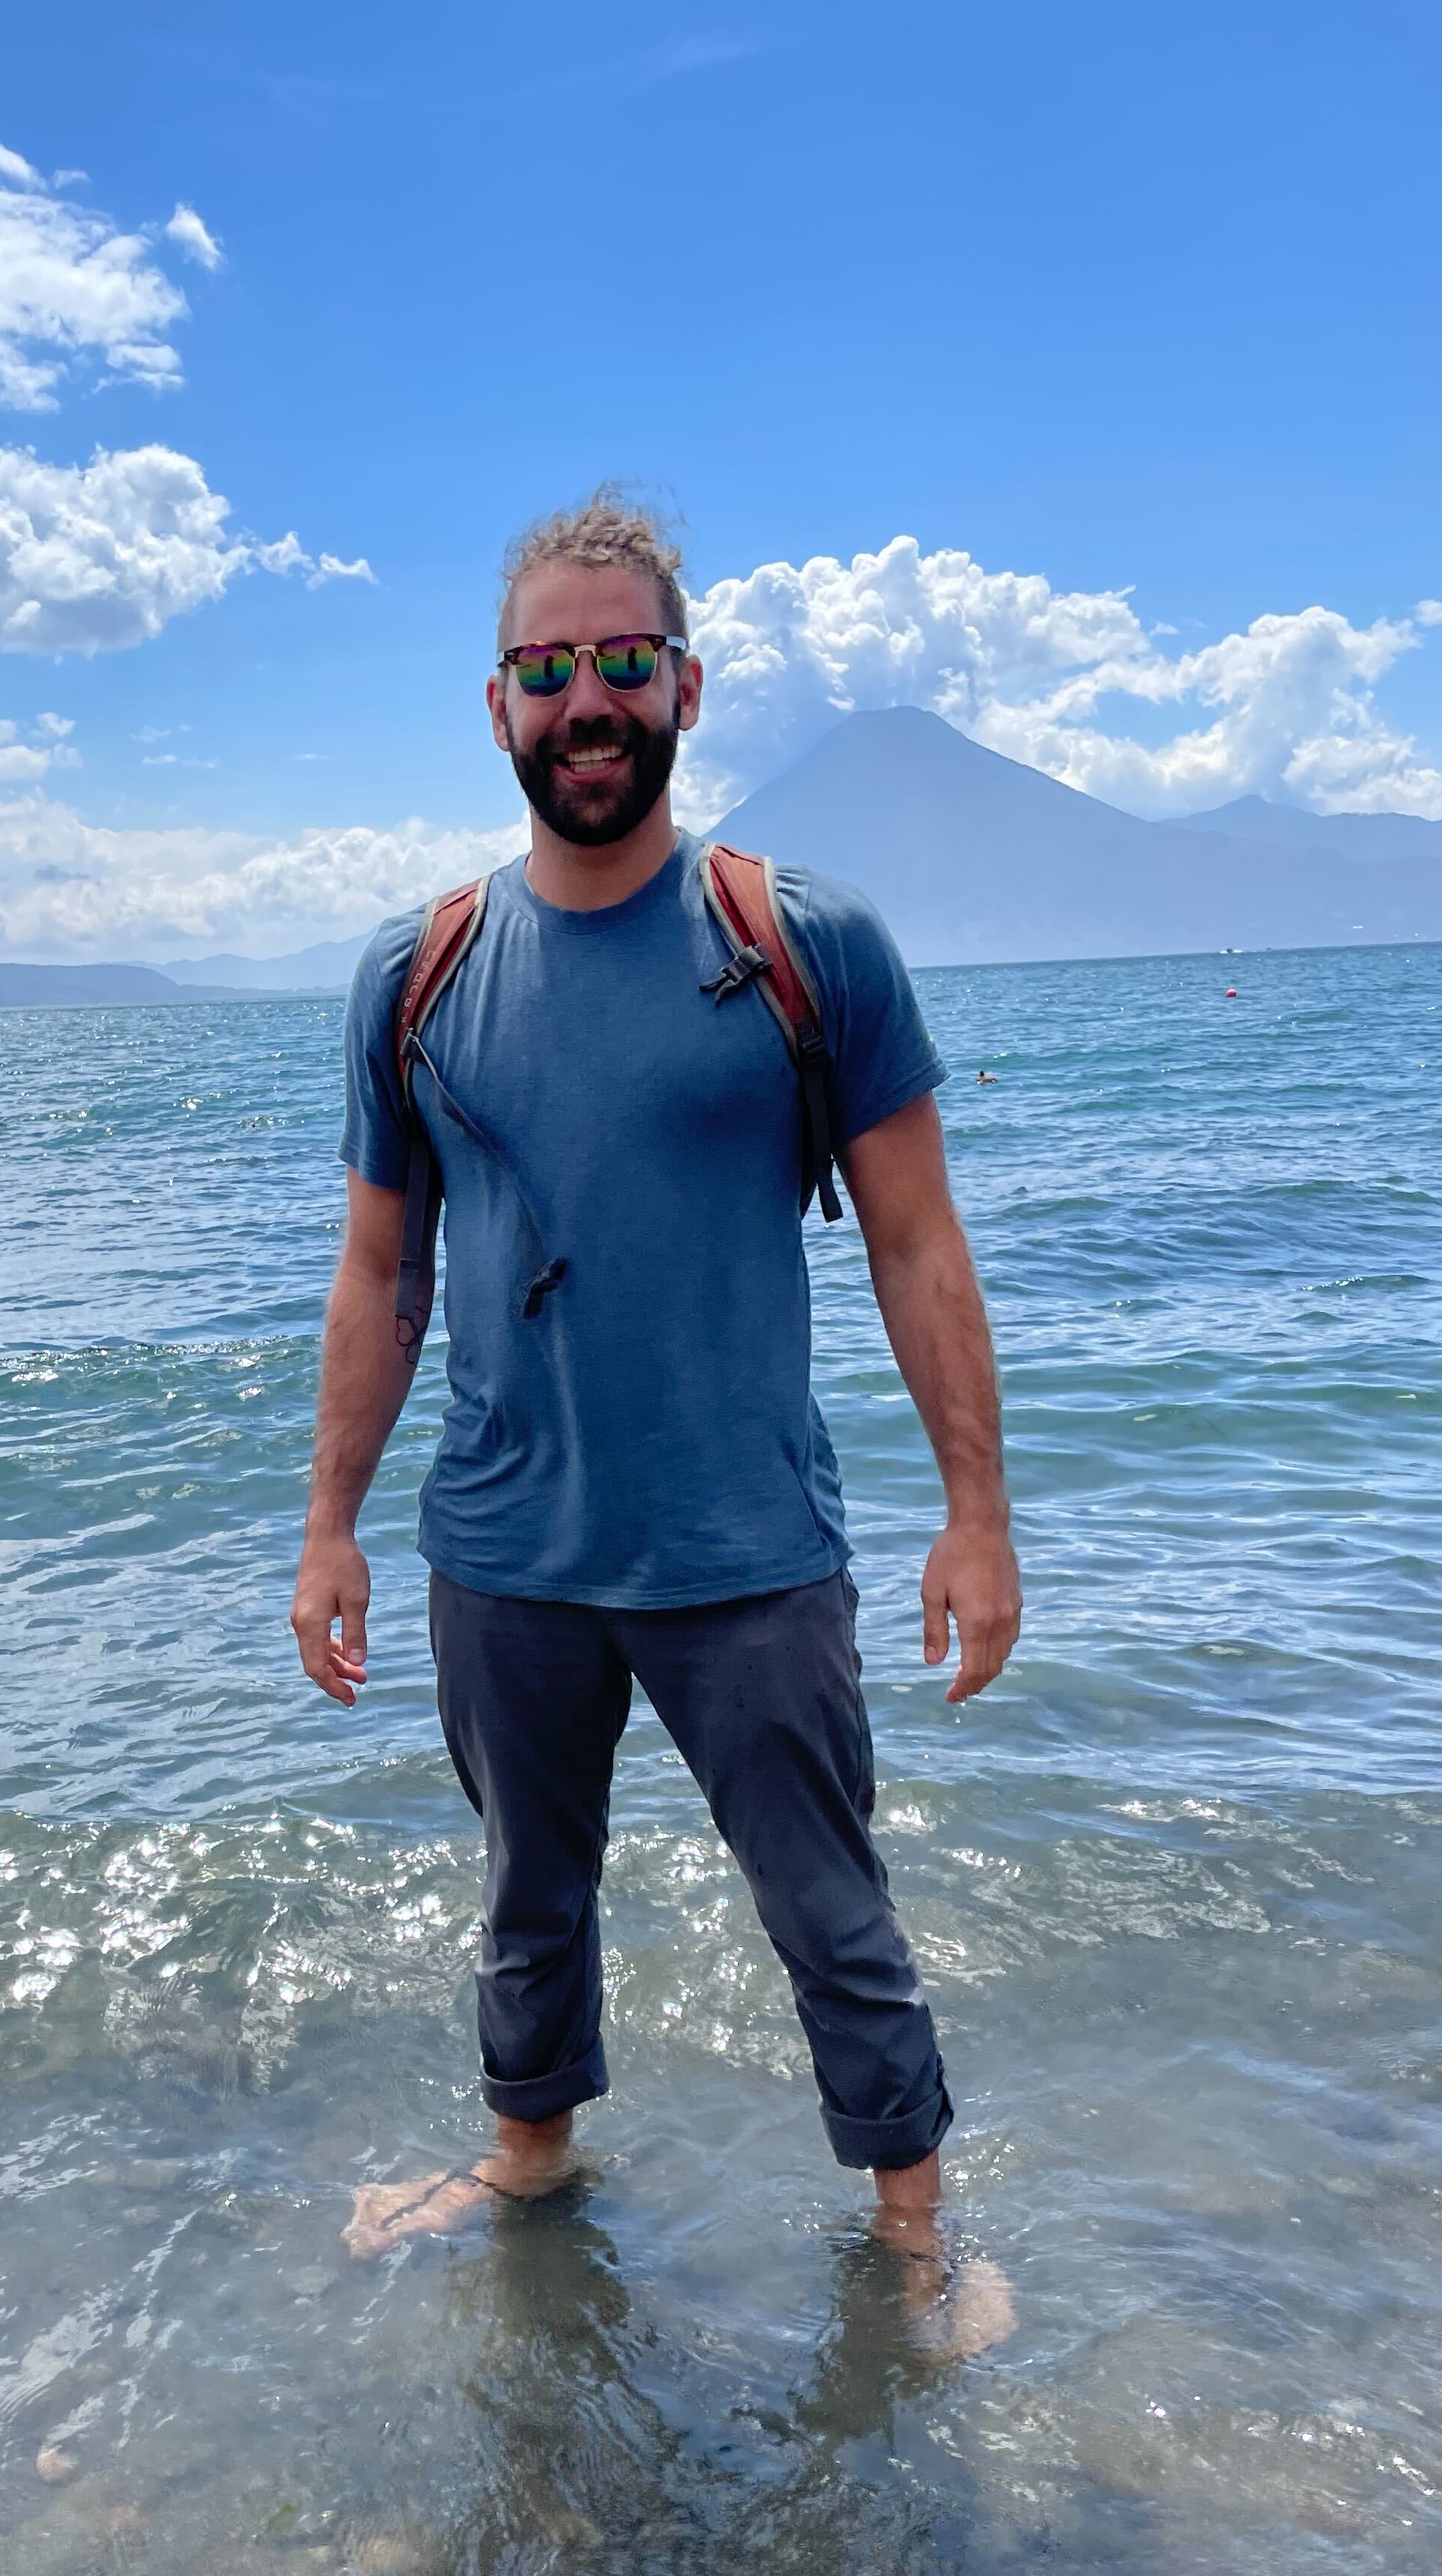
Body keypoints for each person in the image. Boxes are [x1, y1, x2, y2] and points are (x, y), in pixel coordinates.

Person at [290, 492, 1022, 2328]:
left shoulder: (803, 942)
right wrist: (329, 1527)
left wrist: (977, 1516)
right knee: (525, 1902)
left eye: (625, 661)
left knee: (831, 1913)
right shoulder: (417, 974)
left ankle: (918, 2232)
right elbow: (380, 1273)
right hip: (505, 1555)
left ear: (685, 688)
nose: (587, 702)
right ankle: (526, 2161)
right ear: (499, 707)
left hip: (745, 1552)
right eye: (549, 670)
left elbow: (918, 1245)